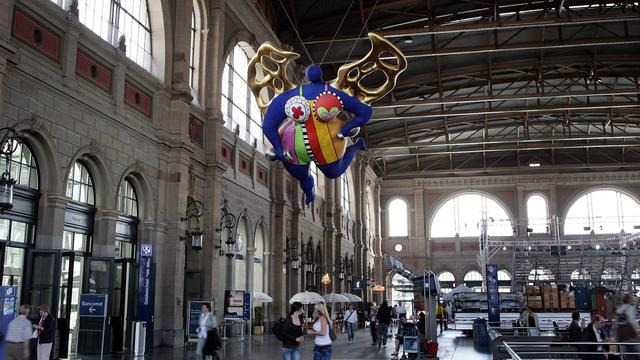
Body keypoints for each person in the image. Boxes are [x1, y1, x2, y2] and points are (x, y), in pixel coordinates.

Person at [615, 293, 640, 359]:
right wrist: (637, 334)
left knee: (626, 356)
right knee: (637, 354)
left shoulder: (619, 309)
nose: (633, 299)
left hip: (622, 337)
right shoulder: (630, 308)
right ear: (629, 300)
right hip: (631, 336)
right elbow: (632, 322)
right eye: (632, 298)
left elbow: (617, 324)